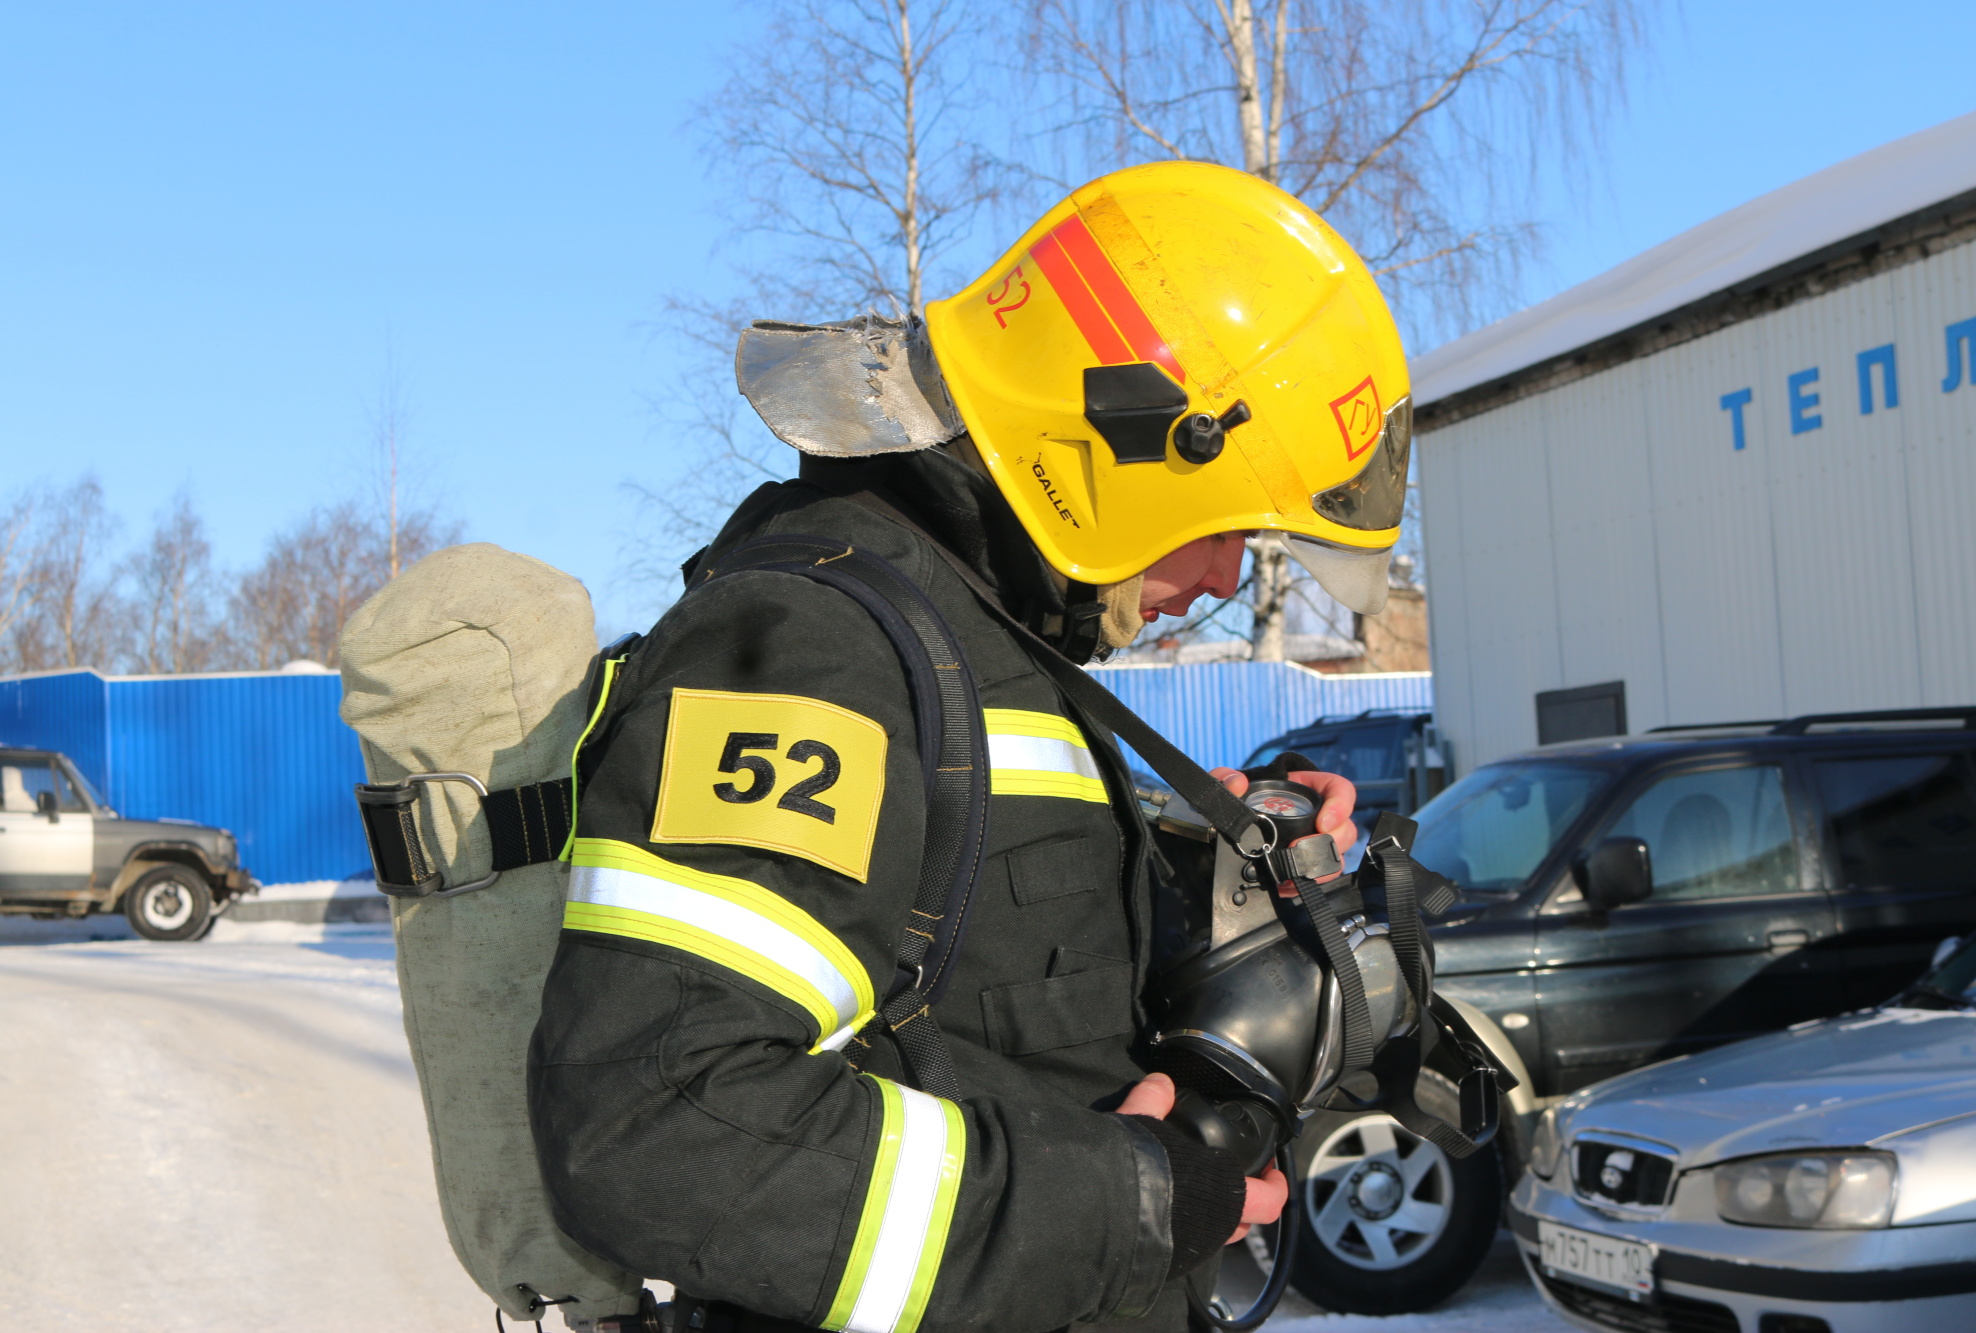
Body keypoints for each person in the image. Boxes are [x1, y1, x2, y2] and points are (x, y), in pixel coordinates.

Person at [528, 159, 1413, 1333]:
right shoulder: (817, 646)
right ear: (1123, 446)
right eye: (1227, 528)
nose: (1220, 578)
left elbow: (967, 1002)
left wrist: (1192, 898)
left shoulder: (982, 639)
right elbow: (657, 1123)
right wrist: (1129, 1203)